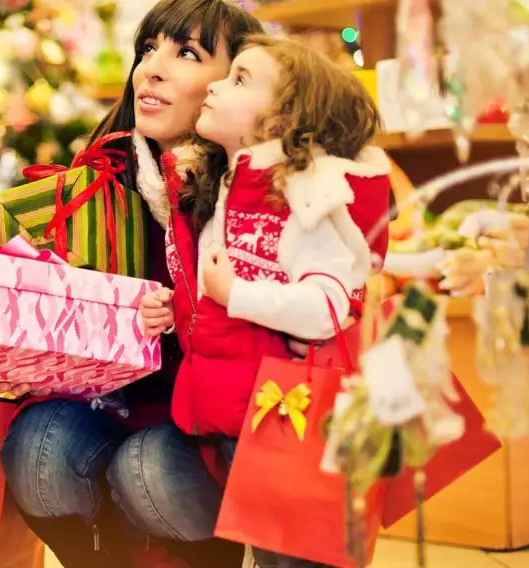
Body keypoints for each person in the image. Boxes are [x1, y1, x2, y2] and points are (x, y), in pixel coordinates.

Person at [0, 1, 267, 567]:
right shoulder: (97, 183)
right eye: (148, 49)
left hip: (206, 424)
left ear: (236, 82)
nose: (152, 68)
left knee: (147, 470)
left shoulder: (253, 191)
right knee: (38, 449)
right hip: (110, 406)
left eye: (186, 53)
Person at [140, 35, 389, 567]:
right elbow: (211, 288)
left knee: (295, 554)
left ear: (282, 120)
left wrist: (237, 295)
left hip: (283, 418)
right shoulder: (226, 185)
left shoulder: (300, 193)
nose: (215, 85)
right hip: (237, 416)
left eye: (239, 80)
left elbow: (329, 305)